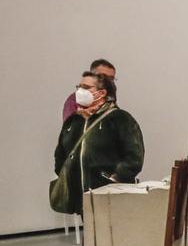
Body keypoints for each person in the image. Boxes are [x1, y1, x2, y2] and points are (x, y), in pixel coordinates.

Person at [53, 71, 145, 215]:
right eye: (78, 86)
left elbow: (135, 156)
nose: (79, 91)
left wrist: (115, 177)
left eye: (86, 87)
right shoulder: (73, 122)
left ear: (101, 93)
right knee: (90, 236)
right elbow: (60, 154)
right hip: (81, 200)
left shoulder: (120, 119)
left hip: (112, 198)